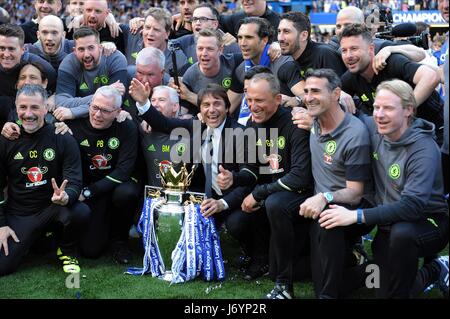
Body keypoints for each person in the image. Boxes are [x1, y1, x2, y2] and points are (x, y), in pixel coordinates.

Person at [321, 79, 449, 298]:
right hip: (388, 227)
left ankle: (436, 268)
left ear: (408, 110)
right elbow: (339, 116)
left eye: (388, 108)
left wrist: (356, 216)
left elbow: (412, 207)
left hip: (428, 222)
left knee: (402, 238)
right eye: (376, 107)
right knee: (382, 290)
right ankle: (388, 271)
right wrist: (335, 100)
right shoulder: (373, 127)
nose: (379, 114)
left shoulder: (423, 148)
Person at [134, 83, 255, 269]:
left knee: (236, 224)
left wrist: (222, 203)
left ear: (228, 107)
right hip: (205, 196)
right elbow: (164, 123)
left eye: (217, 104)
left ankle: (254, 253)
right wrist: (143, 102)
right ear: (200, 109)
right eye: (206, 105)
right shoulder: (197, 126)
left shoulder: (243, 133)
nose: (211, 110)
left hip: (235, 199)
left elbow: (249, 181)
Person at [218, 73, 313, 294]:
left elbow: (300, 177)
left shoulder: (295, 123)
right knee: (241, 220)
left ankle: (284, 284)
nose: (253, 106)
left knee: (273, 202)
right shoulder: (252, 124)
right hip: (274, 197)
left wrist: (260, 193)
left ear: (278, 99)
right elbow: (252, 171)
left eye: (259, 100)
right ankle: (260, 258)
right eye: (249, 100)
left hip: (302, 197)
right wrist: (235, 177)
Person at [296, 69, 373, 299]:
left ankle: (374, 271)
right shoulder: (314, 121)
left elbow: (355, 193)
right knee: (290, 269)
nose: (309, 97)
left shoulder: (354, 134)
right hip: (318, 206)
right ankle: (350, 259)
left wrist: (324, 197)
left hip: (352, 208)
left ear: (336, 94)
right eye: (307, 91)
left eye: (316, 91)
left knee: (326, 289)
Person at [0, 84, 89, 276]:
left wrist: (66, 197)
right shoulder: (7, 139)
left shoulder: (62, 136)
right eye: (23, 107)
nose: (28, 113)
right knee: (3, 267)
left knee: (80, 211)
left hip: (52, 208)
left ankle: (66, 250)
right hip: (20, 213)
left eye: (35, 107)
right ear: (16, 108)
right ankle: (40, 241)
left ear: (45, 109)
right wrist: (1, 225)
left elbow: (74, 181)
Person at [67, 86, 139, 264]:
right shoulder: (73, 125)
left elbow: (124, 170)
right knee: (91, 251)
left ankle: (120, 241)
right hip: (87, 190)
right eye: (95, 108)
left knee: (127, 192)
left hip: (113, 186)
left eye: (105, 111)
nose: (97, 115)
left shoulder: (126, 127)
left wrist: (91, 191)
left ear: (118, 112)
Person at [340, 24, 443, 145]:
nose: (348, 56)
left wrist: (405, 110)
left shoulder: (390, 62)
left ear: (371, 49)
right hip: (398, 140)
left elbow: (431, 77)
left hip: (435, 132)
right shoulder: (350, 77)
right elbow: (329, 93)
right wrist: (340, 93)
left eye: (354, 49)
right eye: (344, 50)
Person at [228, 17, 303, 120]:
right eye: (240, 38)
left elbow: (306, 95)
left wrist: (297, 100)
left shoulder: (283, 64)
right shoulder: (242, 69)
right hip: (253, 130)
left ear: (264, 40)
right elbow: (227, 107)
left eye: (249, 37)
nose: (242, 43)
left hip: (283, 130)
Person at [55, 27, 128, 121]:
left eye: (91, 48)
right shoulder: (68, 63)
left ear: (100, 48)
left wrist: (74, 112)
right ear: (74, 51)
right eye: (81, 49)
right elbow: (62, 103)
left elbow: (115, 103)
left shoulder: (115, 58)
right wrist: (105, 94)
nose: (86, 54)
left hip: (106, 117)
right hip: (80, 120)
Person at [174, 29, 242, 107]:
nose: (204, 53)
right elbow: (186, 114)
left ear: (220, 50)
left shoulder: (235, 62)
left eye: (210, 49)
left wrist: (190, 96)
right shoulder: (190, 76)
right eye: (200, 48)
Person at [125, 8, 190, 77]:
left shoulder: (178, 60)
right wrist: (111, 17)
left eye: (156, 30)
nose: (150, 33)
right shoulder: (131, 35)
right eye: (147, 27)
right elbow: (114, 27)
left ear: (167, 34)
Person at [172, 3, 241, 65]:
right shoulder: (184, 42)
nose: (197, 23)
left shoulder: (230, 45)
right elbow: (165, 46)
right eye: (195, 19)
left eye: (203, 19)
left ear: (215, 24)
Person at [0, 23, 57, 98]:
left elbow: (58, 90)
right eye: (2, 48)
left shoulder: (43, 68)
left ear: (22, 49)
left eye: (11, 49)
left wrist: (53, 97)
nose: (6, 54)